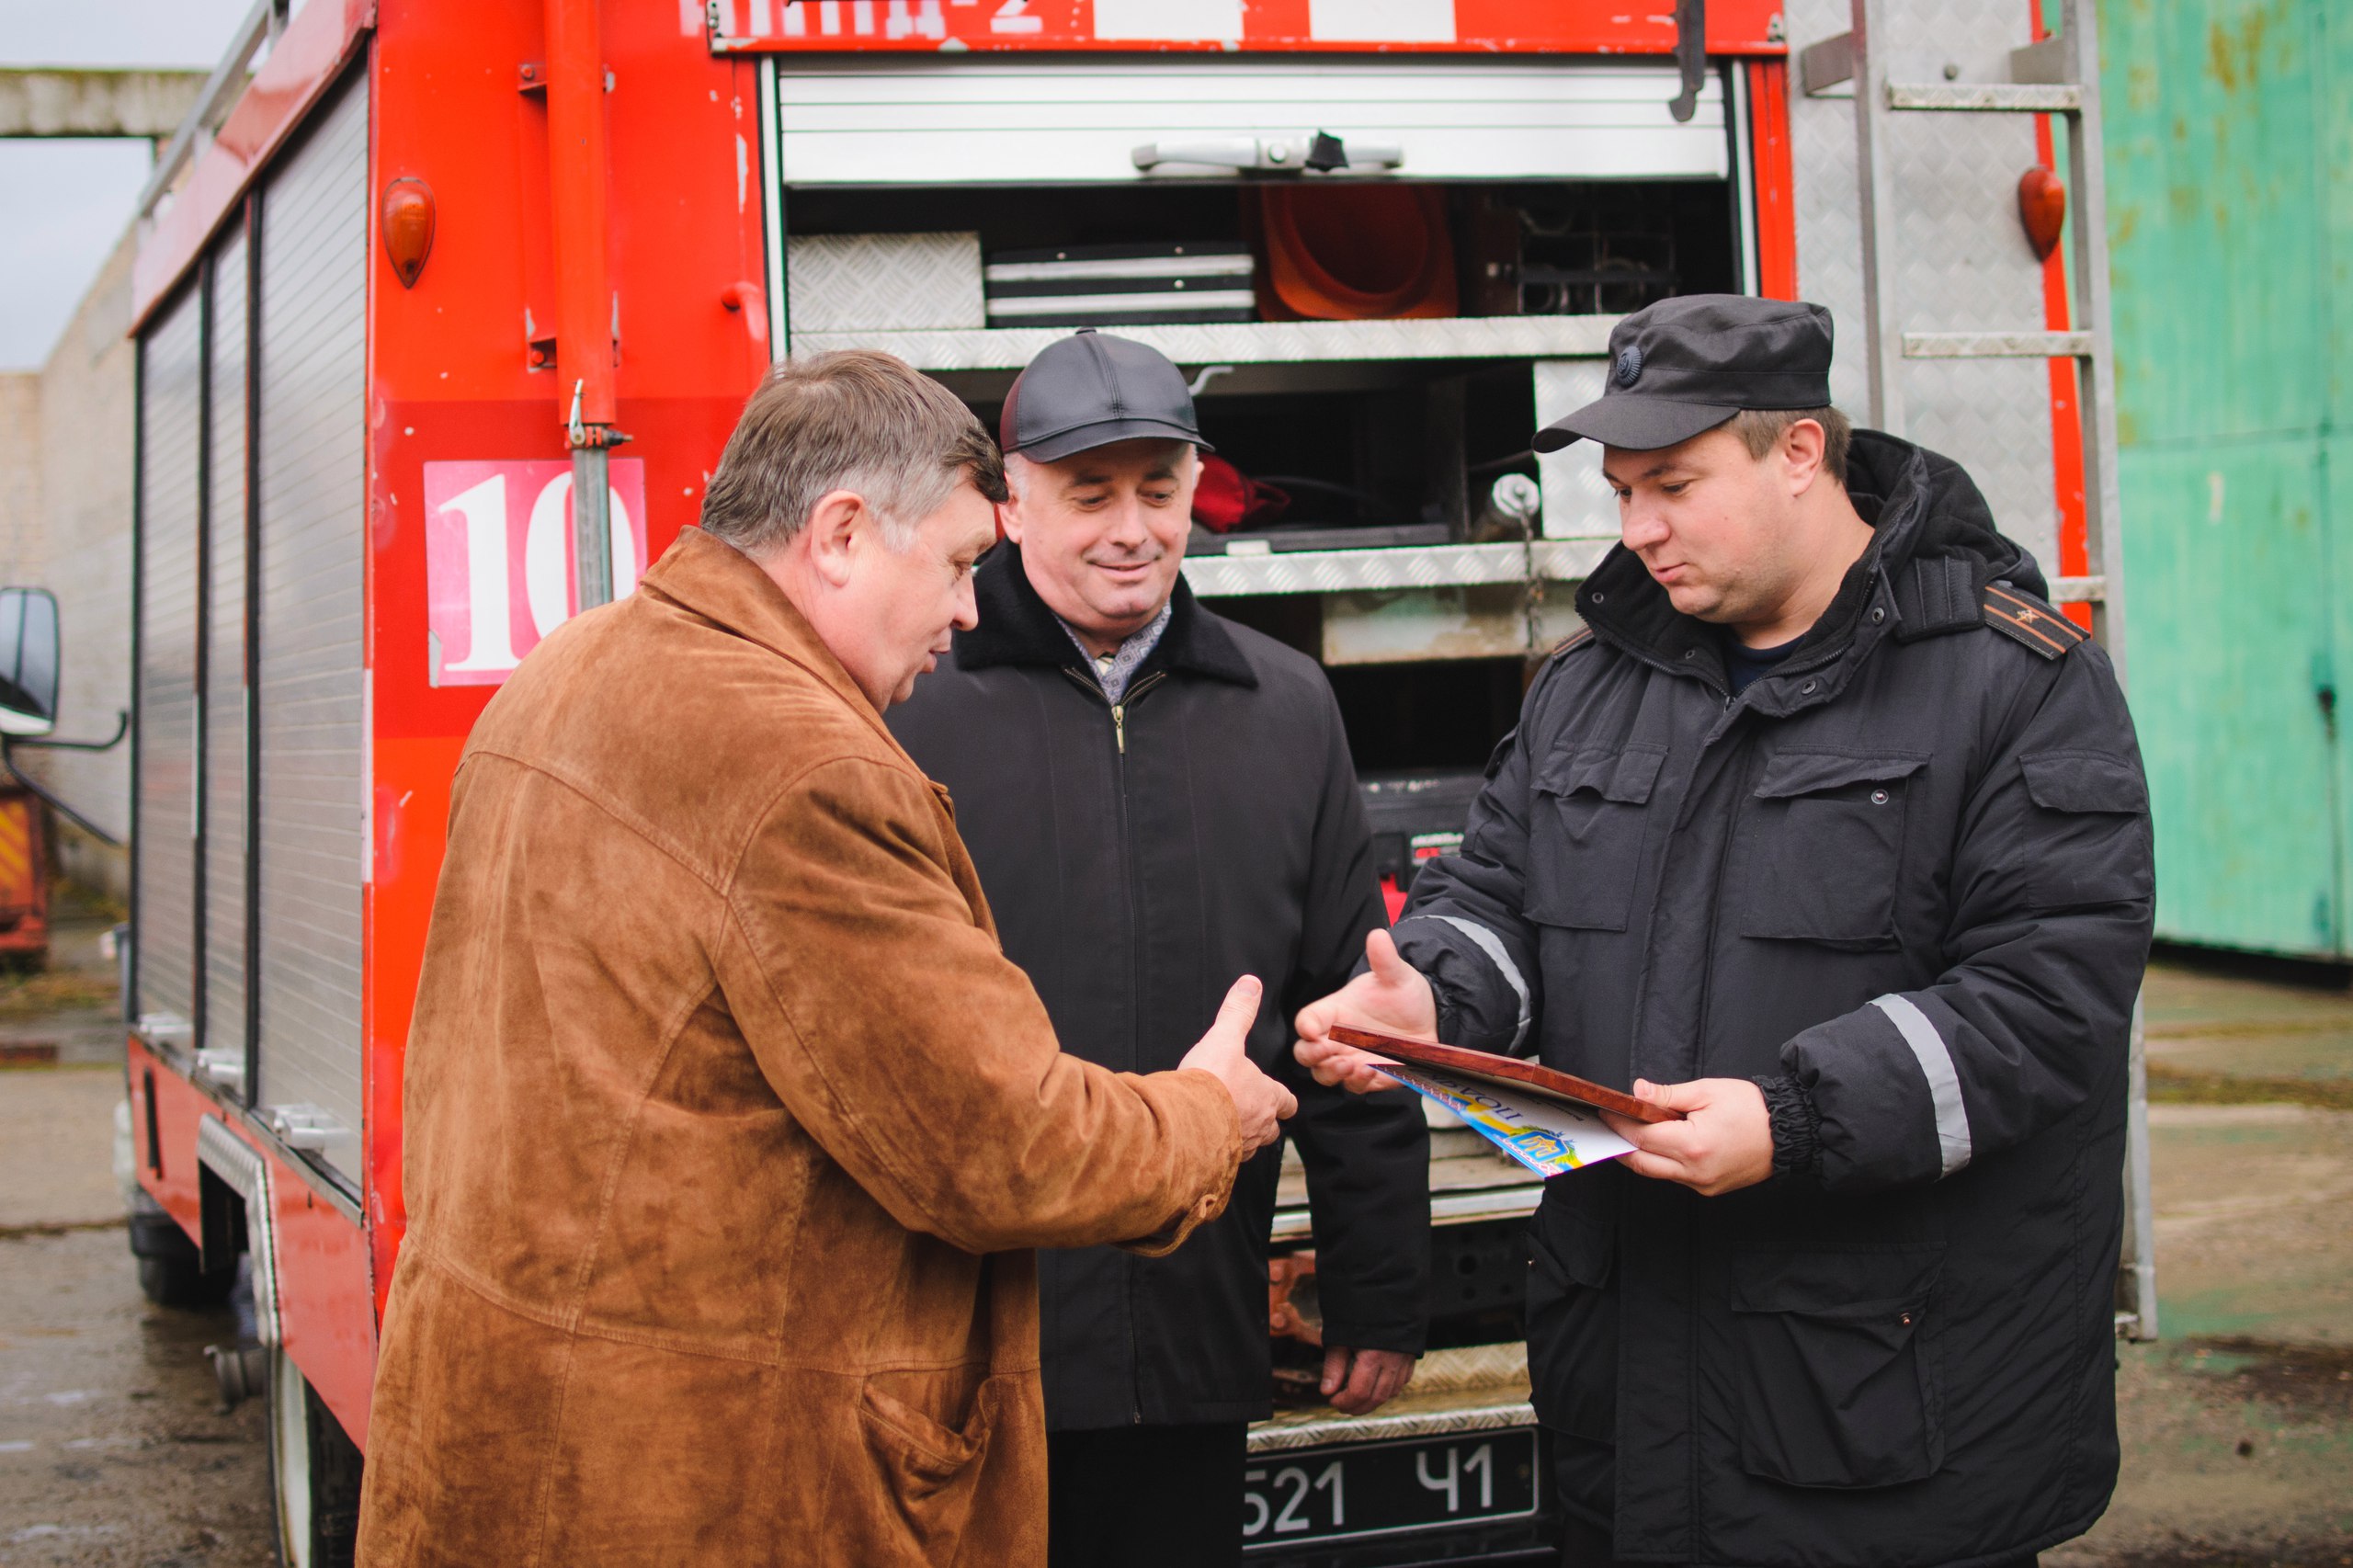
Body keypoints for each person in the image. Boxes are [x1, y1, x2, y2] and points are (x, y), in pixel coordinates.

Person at [355, 349, 1298, 1568]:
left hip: (507, 1443)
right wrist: (1207, 1115)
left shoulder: (565, 669)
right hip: (703, 1487)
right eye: (956, 563)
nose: (971, 610)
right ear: (842, 535)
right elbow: (998, 1144)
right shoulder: (807, 767)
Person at [1295, 295, 2154, 1568]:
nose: (1637, 528)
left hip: (1885, 1419)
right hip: (1627, 1401)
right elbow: (1500, 898)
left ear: (1799, 451)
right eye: (1621, 491)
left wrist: (1793, 1120)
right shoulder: (1591, 686)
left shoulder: (2012, 681)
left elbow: (2047, 998)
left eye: (1674, 485)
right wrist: (1430, 1000)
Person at [889, 330, 1431, 1568]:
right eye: (1091, 496)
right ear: (1011, 500)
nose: (1132, 531)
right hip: (966, 1360)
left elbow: (1347, 1017)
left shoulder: (1284, 707)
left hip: (1196, 1337)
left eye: (1159, 490)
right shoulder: (913, 702)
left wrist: (1382, 1284)